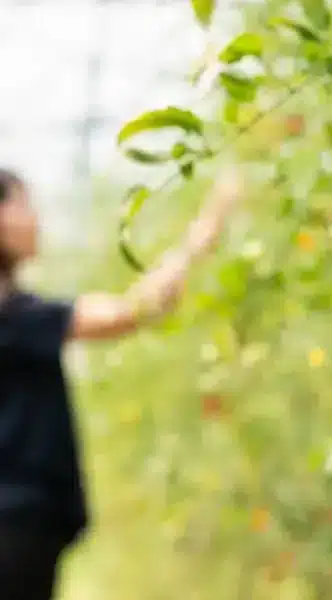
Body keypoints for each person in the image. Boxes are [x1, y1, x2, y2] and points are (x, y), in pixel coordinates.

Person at [0, 166, 242, 599]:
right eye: (24, 204)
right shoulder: (16, 320)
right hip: (15, 524)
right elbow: (134, 311)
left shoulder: (21, 315)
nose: (37, 219)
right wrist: (202, 233)